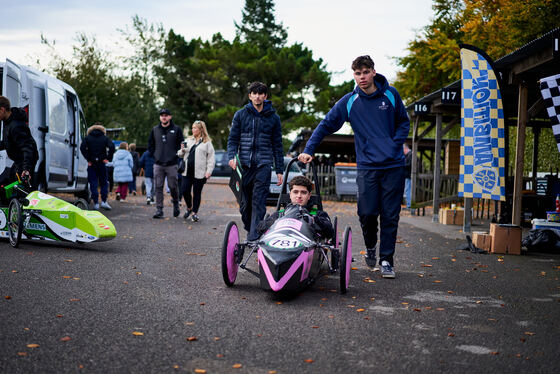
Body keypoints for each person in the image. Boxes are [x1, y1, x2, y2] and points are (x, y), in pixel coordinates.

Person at [298, 55, 410, 278]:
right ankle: (370, 245)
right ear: (354, 75)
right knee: (367, 213)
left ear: (373, 72)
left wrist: (392, 145)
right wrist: (309, 149)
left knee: (390, 214)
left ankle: (387, 260)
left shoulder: (391, 94)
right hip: (367, 166)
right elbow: (326, 124)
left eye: (365, 72)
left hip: (393, 166)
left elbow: (403, 122)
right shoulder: (350, 101)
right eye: (357, 74)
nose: (362, 77)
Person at [227, 82, 284, 241]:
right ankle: (252, 228)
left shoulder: (273, 118)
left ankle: (253, 238)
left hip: (263, 165)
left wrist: (279, 170)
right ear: (250, 96)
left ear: (265, 96)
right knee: (245, 207)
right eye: (254, 93)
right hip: (244, 165)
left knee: (259, 202)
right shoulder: (240, 115)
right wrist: (231, 156)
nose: (257, 96)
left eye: (261, 93)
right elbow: (233, 139)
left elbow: (277, 145)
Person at [257, 175, 333, 240]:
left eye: (303, 192)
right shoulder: (280, 214)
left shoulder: (317, 214)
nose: (299, 196)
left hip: (307, 247)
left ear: (309, 195)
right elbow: (260, 228)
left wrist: (313, 220)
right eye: (295, 192)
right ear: (290, 194)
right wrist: (276, 221)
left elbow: (330, 232)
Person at [148, 108, 184, 218]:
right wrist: (155, 155)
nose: (164, 117)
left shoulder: (177, 129)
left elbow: (181, 145)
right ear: (160, 117)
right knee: (158, 187)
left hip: (172, 164)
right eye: (162, 115)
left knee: (173, 186)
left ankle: (176, 204)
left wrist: (176, 157)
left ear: (170, 117)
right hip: (158, 164)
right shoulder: (155, 130)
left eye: (166, 115)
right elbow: (150, 145)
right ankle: (159, 210)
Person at [177, 120, 215, 222]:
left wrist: (209, 171)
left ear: (201, 129)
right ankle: (189, 207)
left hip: (200, 173)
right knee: (184, 190)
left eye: (195, 128)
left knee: (197, 193)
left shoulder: (207, 143)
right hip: (186, 171)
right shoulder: (189, 140)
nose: (193, 130)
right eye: (192, 128)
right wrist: (182, 150)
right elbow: (180, 154)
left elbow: (211, 158)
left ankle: (194, 213)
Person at [0, 96, 39, 186]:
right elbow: (8, 142)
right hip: (18, 161)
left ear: (2, 110)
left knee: (22, 189)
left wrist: (26, 169)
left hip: (25, 160)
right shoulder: (7, 122)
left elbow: (28, 147)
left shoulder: (16, 125)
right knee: (10, 182)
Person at [79, 122, 115, 210]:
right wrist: (107, 158)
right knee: (104, 182)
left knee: (93, 183)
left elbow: (82, 147)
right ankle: (104, 201)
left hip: (92, 163)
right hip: (102, 163)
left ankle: (95, 203)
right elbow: (112, 147)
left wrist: (88, 158)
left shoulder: (87, 138)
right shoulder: (105, 138)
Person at [403, 143, 412, 209]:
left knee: (408, 190)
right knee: (407, 190)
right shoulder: (409, 155)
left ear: (405, 149)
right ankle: (408, 205)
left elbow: (410, 165)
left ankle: (409, 205)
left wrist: (402, 164)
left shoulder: (410, 154)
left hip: (409, 176)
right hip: (408, 176)